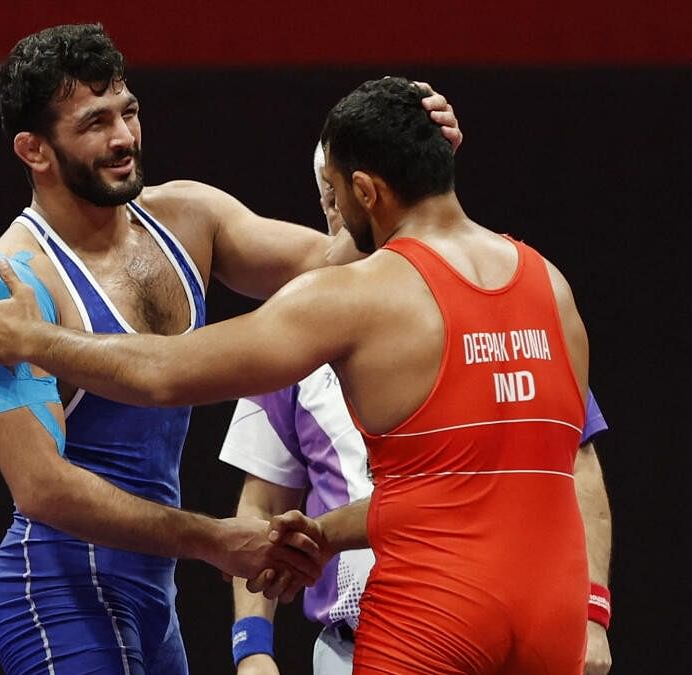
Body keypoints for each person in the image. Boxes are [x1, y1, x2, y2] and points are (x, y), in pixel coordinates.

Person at [0, 75, 592, 673]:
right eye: (95, 122)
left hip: (435, 607)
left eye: (128, 112)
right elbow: (42, 488)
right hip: (549, 606)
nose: (124, 135)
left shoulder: (198, 226)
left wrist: (32, 337)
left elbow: (166, 374)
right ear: (34, 149)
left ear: (364, 191)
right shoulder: (549, 286)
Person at [221, 144, 614, 675]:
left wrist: (591, 611)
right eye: (326, 201)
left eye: (344, 200)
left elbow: (574, 464)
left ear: (372, 194)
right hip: (357, 645)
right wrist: (253, 649)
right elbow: (263, 504)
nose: (337, 221)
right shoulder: (294, 330)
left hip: (503, 634)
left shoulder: (506, 305)